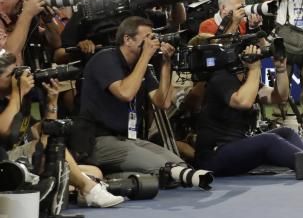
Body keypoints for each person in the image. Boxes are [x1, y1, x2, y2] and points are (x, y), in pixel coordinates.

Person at [79, 16, 213, 190]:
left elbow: (163, 103)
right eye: (147, 38)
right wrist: (146, 56)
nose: (152, 42)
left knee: (179, 165)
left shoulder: (142, 66)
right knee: (164, 168)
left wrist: (166, 65)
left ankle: (119, 175)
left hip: (129, 139)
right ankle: (109, 177)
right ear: (127, 39)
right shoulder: (105, 59)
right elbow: (125, 93)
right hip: (98, 140)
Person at [196, 44, 303, 179]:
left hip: (234, 149)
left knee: (286, 132)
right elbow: (243, 102)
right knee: (269, 140)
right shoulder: (221, 78)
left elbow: (280, 96)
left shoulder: (246, 81)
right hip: (214, 156)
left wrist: (281, 70)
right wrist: (255, 70)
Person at [0, 55, 124, 208]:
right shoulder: (15, 97)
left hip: (24, 162)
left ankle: (78, 186)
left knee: (95, 171)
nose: (17, 79)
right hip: (5, 164)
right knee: (49, 148)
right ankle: (87, 188)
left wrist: (52, 101)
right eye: (10, 75)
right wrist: (17, 94)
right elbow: (4, 130)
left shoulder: (21, 99)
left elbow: (46, 130)